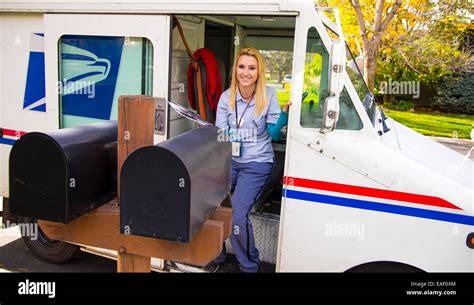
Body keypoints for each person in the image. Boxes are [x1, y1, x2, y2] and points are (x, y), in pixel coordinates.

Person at [210, 47, 291, 273]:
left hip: (257, 163)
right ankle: (216, 254)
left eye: (251, 68)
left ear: (259, 72)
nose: (246, 72)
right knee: (210, 204)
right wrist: (228, 135)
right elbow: (220, 134)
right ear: (236, 69)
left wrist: (283, 115)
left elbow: (274, 134)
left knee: (236, 216)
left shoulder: (269, 95)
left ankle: (249, 266)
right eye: (242, 67)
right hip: (230, 160)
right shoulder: (227, 97)